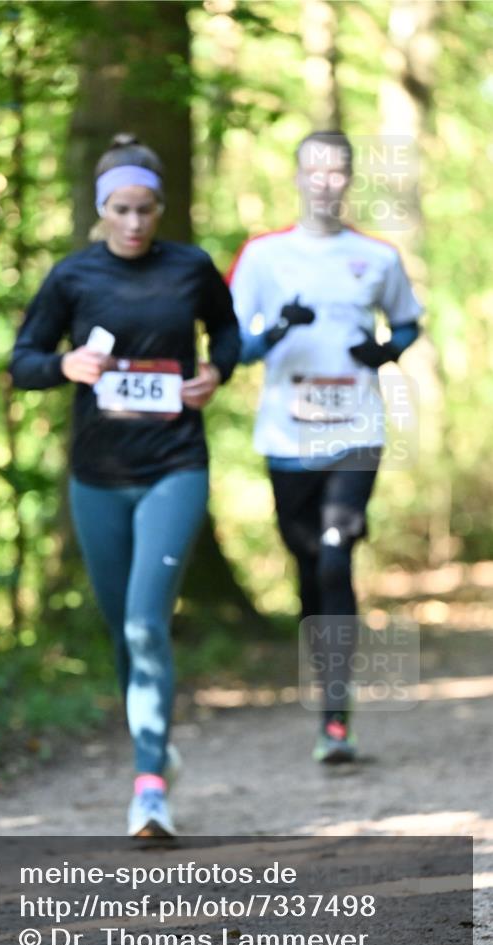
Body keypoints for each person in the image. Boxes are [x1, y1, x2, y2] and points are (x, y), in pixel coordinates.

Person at [11, 134, 239, 836]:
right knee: (122, 632)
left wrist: (216, 372)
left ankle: (148, 789)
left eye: (145, 209)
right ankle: (154, 748)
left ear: (160, 208)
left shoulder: (190, 267)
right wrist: (65, 366)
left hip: (175, 467)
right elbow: (22, 360)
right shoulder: (73, 276)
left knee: (145, 623)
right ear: (101, 210)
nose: (134, 223)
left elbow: (227, 334)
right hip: (98, 477)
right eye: (121, 209)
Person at [228, 130, 422, 763]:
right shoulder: (263, 256)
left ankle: (336, 718)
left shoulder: (377, 257)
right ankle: (326, 686)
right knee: (309, 567)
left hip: (356, 434)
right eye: (313, 170)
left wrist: (386, 351)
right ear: (296, 177)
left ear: (349, 179)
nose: (324, 182)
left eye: (336, 171)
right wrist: (276, 331)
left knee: (337, 554)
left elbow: (409, 323)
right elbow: (231, 347)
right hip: (286, 438)